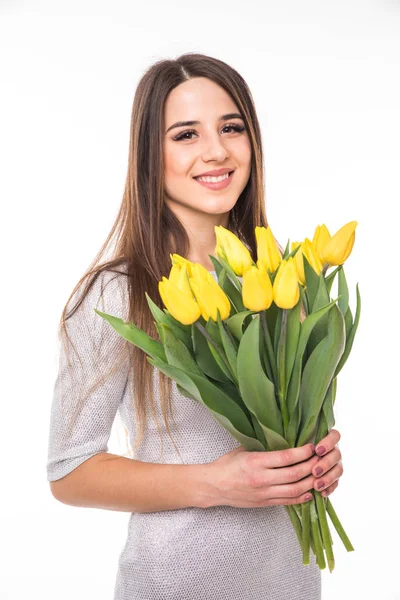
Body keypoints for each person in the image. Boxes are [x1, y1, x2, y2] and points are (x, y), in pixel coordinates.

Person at [46, 52, 343, 600]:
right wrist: (217, 483)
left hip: (291, 584)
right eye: (186, 134)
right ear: (149, 156)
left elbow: (286, 423)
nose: (217, 151)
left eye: (232, 127)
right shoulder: (118, 293)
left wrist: (312, 457)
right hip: (174, 585)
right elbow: (69, 471)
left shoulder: (281, 276)